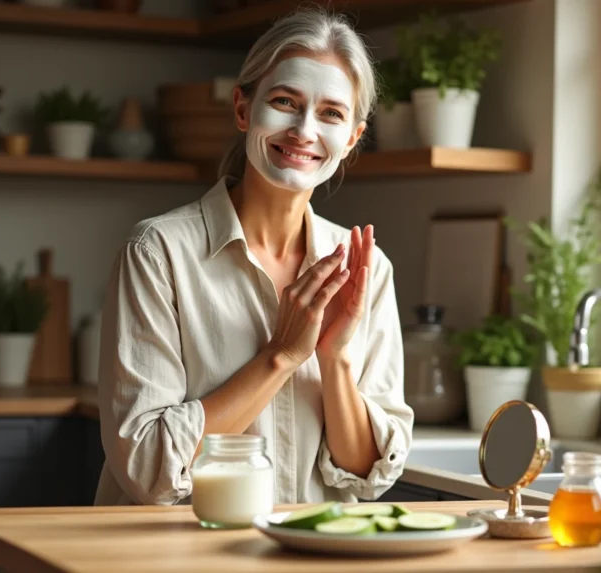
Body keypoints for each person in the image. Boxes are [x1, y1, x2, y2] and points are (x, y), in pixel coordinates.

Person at [94, 9, 414, 506]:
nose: (305, 131)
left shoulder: (365, 268)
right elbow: (147, 467)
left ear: (352, 137)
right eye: (285, 102)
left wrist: (333, 360)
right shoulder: (156, 253)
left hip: (307, 553)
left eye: (331, 113)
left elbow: (367, 475)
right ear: (243, 109)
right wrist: (281, 356)